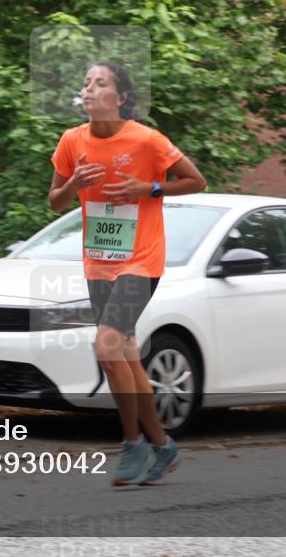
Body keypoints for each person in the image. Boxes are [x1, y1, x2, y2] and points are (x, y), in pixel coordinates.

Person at [48, 61, 207, 485]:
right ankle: (162, 445)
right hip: (98, 260)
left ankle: (131, 443)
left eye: (100, 83)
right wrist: (73, 183)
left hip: (142, 259)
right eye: (85, 83)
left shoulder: (146, 140)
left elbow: (196, 181)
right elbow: (55, 203)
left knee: (106, 346)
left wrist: (148, 188)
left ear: (119, 99)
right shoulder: (71, 142)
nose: (88, 89)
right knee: (128, 357)